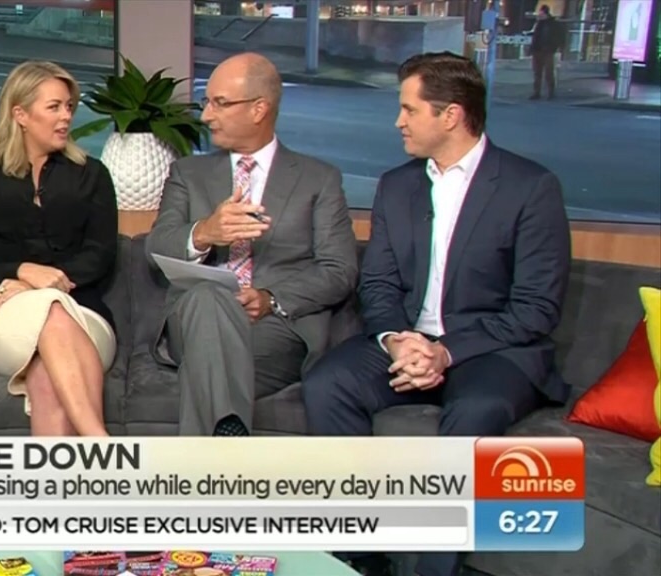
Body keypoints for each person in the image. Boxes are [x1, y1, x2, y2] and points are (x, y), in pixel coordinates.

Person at [300, 52, 572, 576]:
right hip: (409, 342)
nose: (398, 122)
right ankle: (360, 555)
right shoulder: (397, 185)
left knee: (476, 409)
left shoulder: (530, 187)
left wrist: (445, 352)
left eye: (409, 109)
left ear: (451, 115)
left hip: (492, 349)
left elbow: (536, 308)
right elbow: (378, 283)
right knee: (327, 384)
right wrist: (396, 339)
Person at [144, 52, 359, 437]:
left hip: (274, 327)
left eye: (220, 103)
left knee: (209, 365)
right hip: (195, 320)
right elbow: (155, 249)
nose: (206, 116)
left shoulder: (319, 179)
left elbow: (339, 269)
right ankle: (227, 448)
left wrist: (270, 298)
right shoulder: (188, 173)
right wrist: (205, 232)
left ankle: (212, 457)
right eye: (207, 102)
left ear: (259, 109)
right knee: (209, 297)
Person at [0, 60, 118, 437]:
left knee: (46, 369)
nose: (66, 116)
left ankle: (75, 465)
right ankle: (101, 444)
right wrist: (22, 271)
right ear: (20, 114)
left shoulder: (93, 175)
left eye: (69, 106)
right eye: (54, 107)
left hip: (83, 316)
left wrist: (36, 284)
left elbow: (100, 255)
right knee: (50, 309)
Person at [529, 5, 566, 100]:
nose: (539, 15)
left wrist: (555, 47)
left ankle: (550, 92)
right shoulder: (540, 24)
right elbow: (535, 38)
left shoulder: (552, 24)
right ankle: (537, 92)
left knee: (548, 73)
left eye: (541, 14)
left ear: (545, 14)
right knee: (538, 73)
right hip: (538, 50)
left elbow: (560, 36)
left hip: (548, 51)